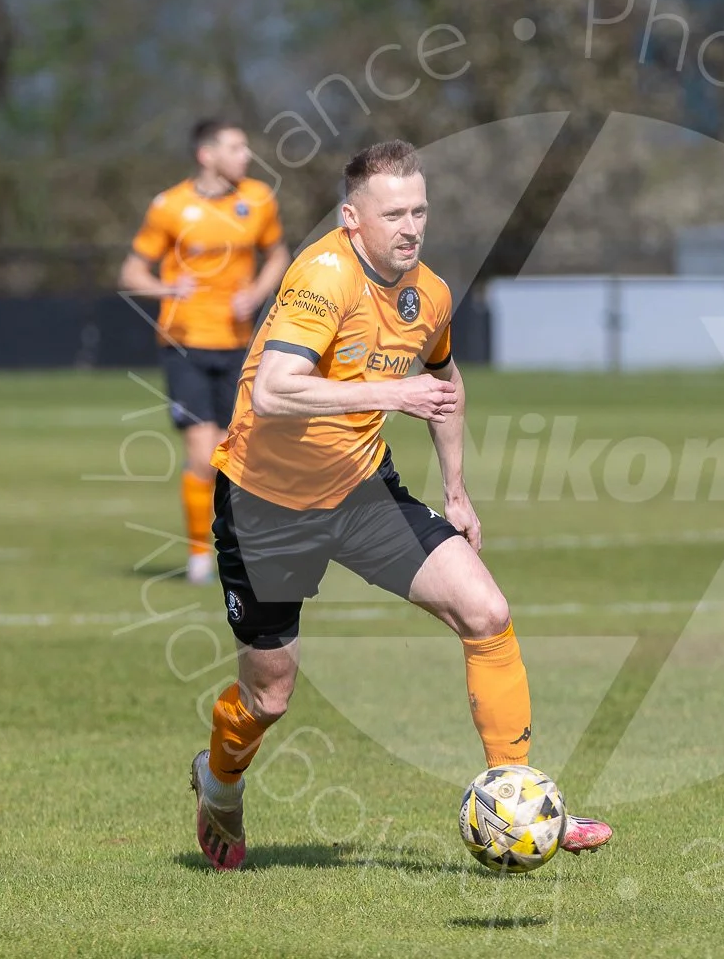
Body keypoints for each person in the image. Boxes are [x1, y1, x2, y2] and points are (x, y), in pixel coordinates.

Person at [187, 139, 612, 871]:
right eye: (393, 213)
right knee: (271, 695)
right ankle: (219, 782)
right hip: (266, 508)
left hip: (360, 492)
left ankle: (525, 798)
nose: (410, 226)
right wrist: (393, 393)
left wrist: (456, 491)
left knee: (486, 613)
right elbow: (273, 390)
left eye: (419, 209)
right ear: (353, 219)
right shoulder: (322, 277)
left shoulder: (431, 292)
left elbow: (444, 387)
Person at [120, 119, 290, 585]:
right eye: (237, 147)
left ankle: (242, 547)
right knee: (205, 453)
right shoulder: (171, 206)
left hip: (240, 345)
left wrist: (256, 292)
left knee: (243, 454)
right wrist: (168, 285)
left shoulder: (258, 199)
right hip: (186, 343)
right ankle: (200, 556)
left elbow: (278, 254)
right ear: (206, 155)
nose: (246, 156)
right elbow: (131, 273)